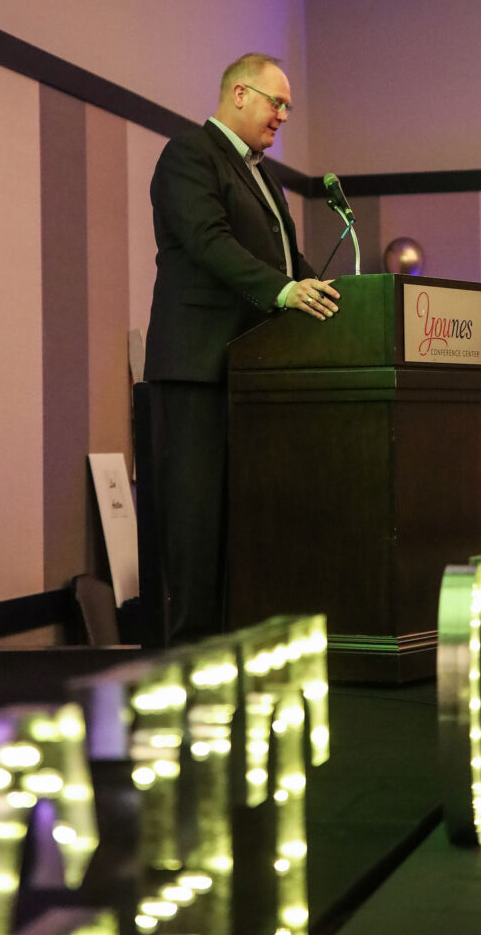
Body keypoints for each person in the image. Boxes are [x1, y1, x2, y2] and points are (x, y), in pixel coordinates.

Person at [144, 52, 340, 643]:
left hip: (254, 372)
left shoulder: (263, 175)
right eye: (276, 102)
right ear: (239, 94)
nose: (283, 116)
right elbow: (209, 241)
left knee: (246, 517)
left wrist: (339, 298)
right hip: (198, 368)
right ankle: (192, 654)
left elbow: (286, 261)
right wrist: (284, 291)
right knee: (196, 519)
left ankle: (241, 646)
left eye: (288, 107)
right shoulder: (189, 154)